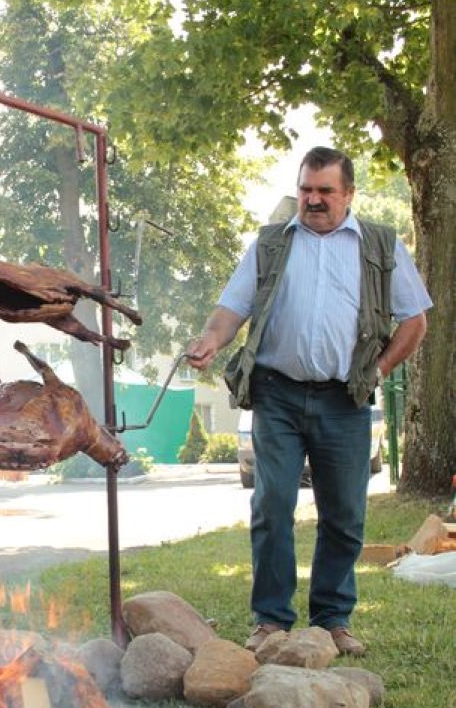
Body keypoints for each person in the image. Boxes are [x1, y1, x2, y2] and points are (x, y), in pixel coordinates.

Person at [185, 146, 432, 655]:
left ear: (349, 195)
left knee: (344, 514)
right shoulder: (271, 243)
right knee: (271, 504)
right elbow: (232, 308)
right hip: (276, 394)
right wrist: (211, 340)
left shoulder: (381, 246)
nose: (313, 200)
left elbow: (415, 322)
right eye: (305, 189)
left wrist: (377, 371)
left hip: (346, 399)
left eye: (325, 191)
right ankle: (272, 621)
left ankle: (332, 621)